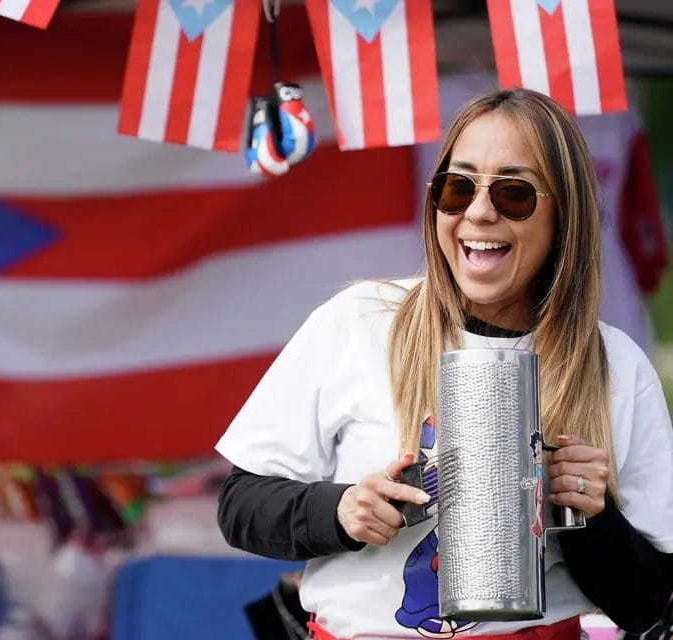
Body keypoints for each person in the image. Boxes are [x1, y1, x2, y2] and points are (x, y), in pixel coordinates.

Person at [215, 88, 673, 640]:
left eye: (514, 193)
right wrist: (340, 511)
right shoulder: (358, 321)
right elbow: (241, 507)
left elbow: (655, 607)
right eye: (458, 188)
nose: (478, 212)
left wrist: (592, 521)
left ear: (564, 214)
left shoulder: (616, 365)